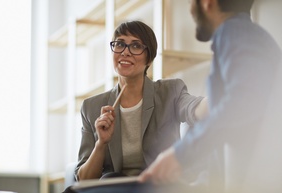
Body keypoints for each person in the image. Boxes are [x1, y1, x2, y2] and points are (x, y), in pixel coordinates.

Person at [138, 0, 282, 193]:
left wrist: (179, 156)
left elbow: (241, 107)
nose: (190, 9)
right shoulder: (245, 36)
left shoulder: (235, 32)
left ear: (207, 3)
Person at [70, 20, 208, 188]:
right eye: (120, 44)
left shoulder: (170, 91)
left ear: (149, 58)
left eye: (136, 46)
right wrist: (101, 143)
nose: (125, 52)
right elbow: (83, 181)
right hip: (115, 188)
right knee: (109, 179)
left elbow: (193, 107)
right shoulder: (91, 107)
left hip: (157, 184)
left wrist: (222, 100)